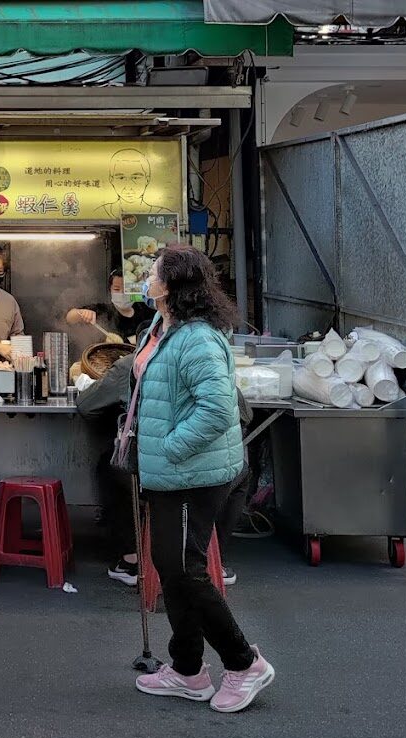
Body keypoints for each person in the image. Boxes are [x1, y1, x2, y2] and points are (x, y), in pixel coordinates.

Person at [132, 246, 273, 713]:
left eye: (152, 273)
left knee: (187, 572)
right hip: (170, 473)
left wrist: (169, 448)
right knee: (170, 567)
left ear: (172, 285)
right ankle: (188, 671)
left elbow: (216, 409)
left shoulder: (197, 338)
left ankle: (243, 662)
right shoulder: (162, 327)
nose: (145, 279)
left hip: (192, 473)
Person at [78, 350, 249, 588]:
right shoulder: (211, 358)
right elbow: (245, 415)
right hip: (215, 475)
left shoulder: (132, 364)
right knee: (242, 472)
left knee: (113, 466)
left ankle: (132, 558)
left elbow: (86, 406)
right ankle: (213, 559)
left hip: (166, 475)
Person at [66, 270, 154, 344]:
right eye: (116, 289)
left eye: (127, 290)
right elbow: (69, 317)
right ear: (110, 290)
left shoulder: (146, 311)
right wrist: (81, 313)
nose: (122, 293)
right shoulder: (103, 310)